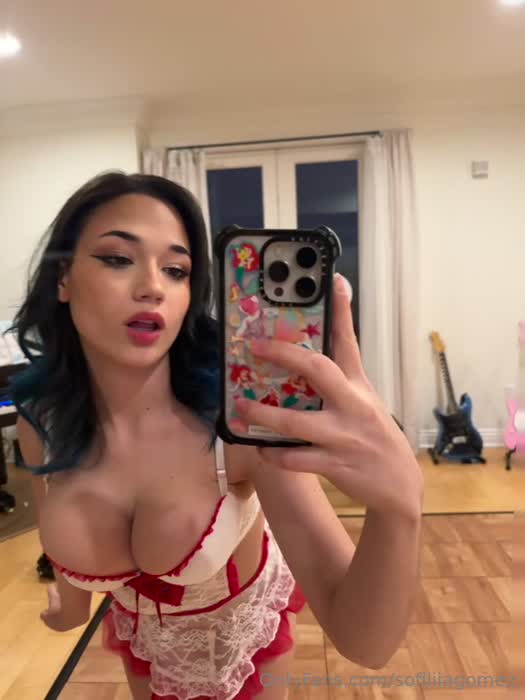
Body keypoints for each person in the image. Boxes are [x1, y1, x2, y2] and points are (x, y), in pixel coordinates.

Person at [11, 172, 423, 700]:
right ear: (63, 278)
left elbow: (367, 645)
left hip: (242, 650)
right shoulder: (41, 423)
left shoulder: (239, 430)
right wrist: (70, 607)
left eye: (176, 270)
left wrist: (399, 507)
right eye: (117, 258)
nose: (153, 287)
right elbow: (56, 517)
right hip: (141, 642)